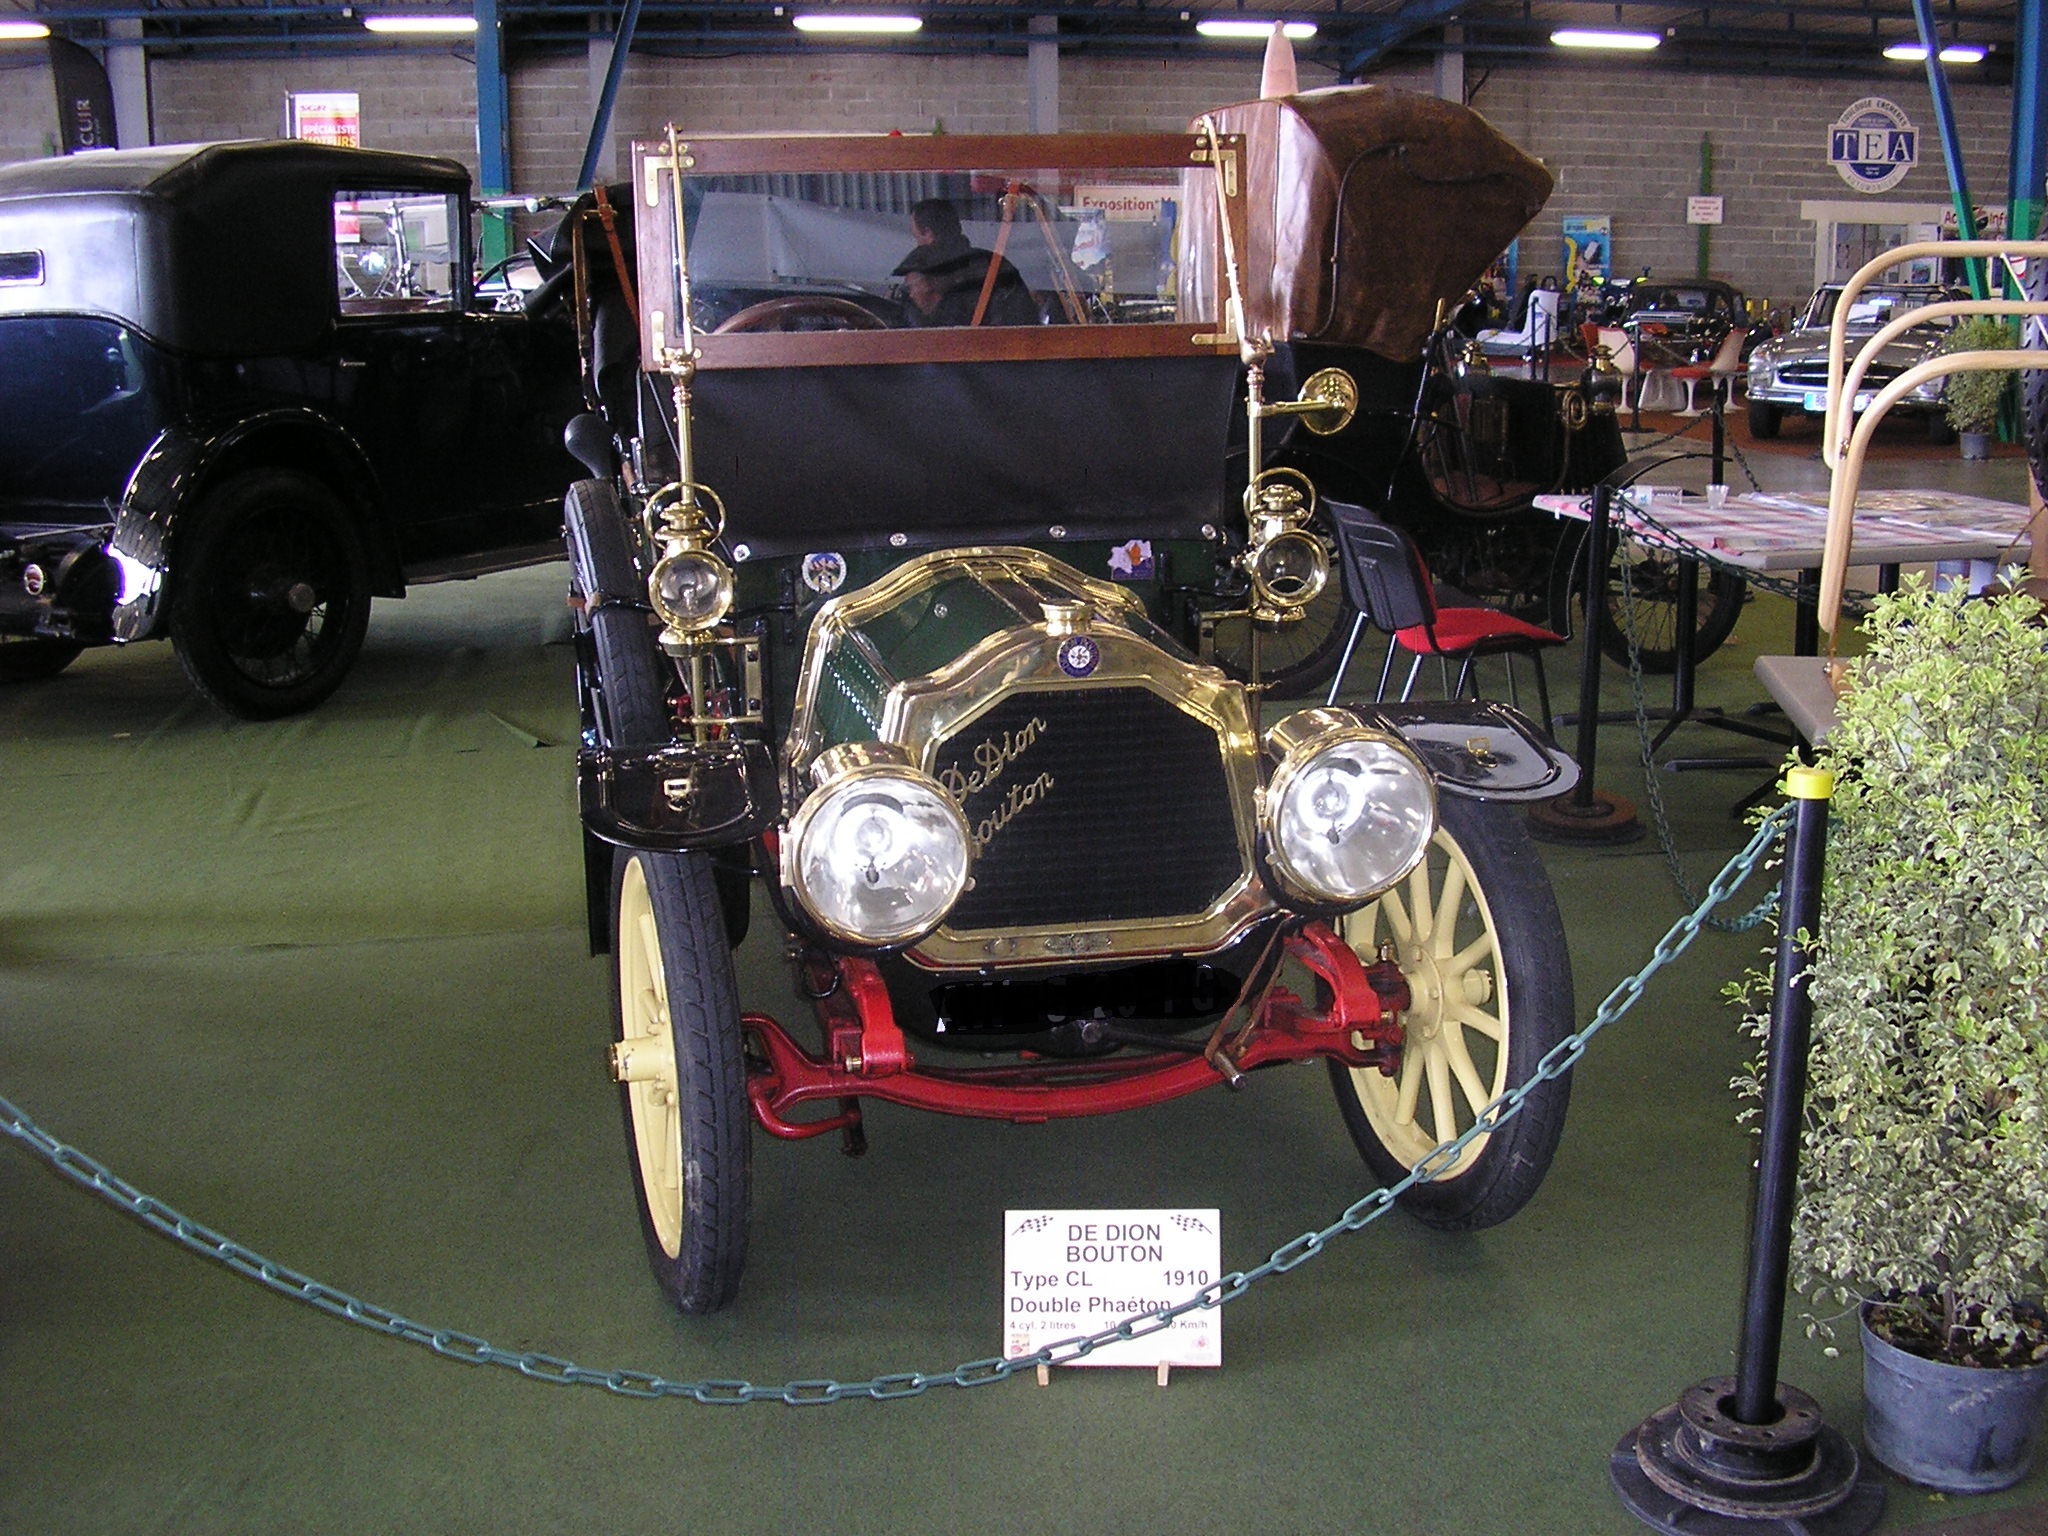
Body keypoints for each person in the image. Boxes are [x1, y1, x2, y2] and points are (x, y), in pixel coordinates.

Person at [893, 199, 1040, 327]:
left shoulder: (920, 274)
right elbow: (1025, 322)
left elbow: (917, 334)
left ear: (928, 233)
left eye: (916, 237)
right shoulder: (997, 265)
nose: (911, 293)